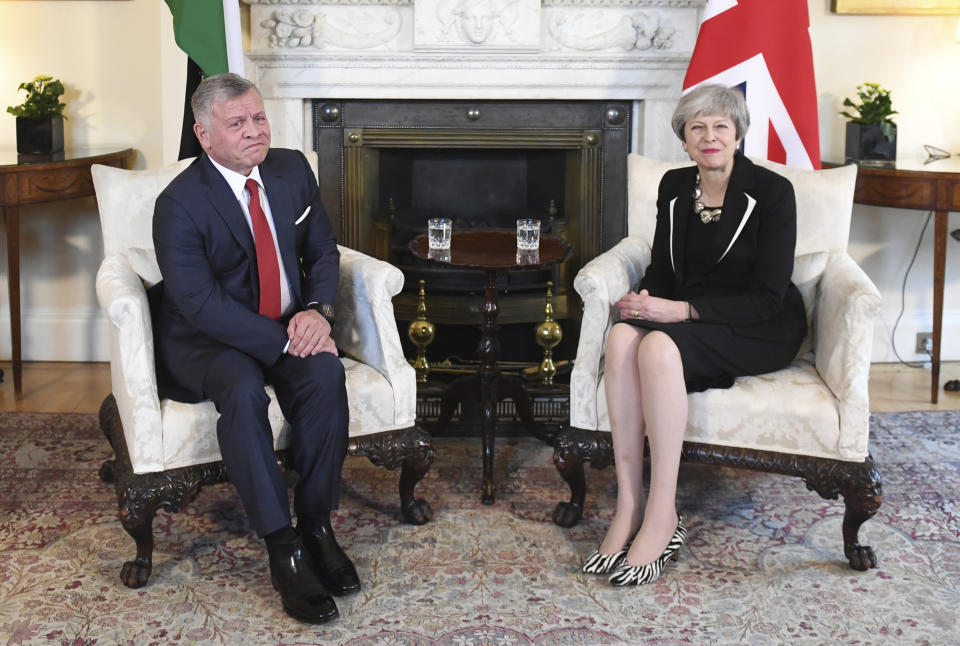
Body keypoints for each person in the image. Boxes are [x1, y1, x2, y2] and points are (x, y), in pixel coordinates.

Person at [581, 84, 807, 586]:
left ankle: (664, 516)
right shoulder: (674, 186)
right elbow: (665, 267)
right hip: (692, 314)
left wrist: (678, 311)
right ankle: (628, 505)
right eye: (697, 127)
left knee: (658, 347)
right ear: (683, 138)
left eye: (720, 127)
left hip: (760, 325)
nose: (709, 137)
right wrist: (644, 299)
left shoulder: (772, 194)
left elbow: (767, 298)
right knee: (621, 338)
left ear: (738, 135)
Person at [152, 73, 357, 623]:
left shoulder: (291, 169)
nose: (253, 131)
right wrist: (285, 341)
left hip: (288, 322)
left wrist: (318, 312)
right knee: (242, 392)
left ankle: (315, 525)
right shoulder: (179, 204)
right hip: (207, 339)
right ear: (204, 134)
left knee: (325, 376)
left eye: (258, 117)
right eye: (236, 123)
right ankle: (282, 547)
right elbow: (200, 304)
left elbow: (323, 251)